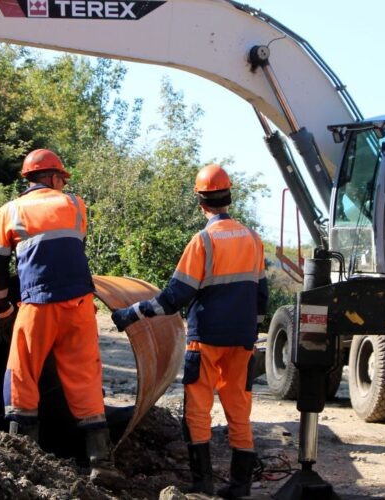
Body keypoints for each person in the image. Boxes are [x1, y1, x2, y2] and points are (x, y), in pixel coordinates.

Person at [110, 164, 268, 498]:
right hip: (242, 340)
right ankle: (240, 486)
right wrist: (250, 333)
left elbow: (173, 298)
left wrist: (130, 313)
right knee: (239, 408)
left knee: (197, 409)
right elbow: (261, 295)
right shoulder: (253, 239)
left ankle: (203, 484)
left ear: (200, 202)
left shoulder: (204, 241)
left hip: (206, 339)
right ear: (229, 198)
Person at [0, 148, 120, 486]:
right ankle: (102, 463)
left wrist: (3, 313)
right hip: (79, 305)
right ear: (54, 177)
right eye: (62, 178)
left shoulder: (9, 211)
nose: (63, 184)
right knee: (85, 376)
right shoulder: (75, 205)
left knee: (22, 374)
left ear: (28, 179)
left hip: (37, 305)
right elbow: (69, 251)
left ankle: (22, 460)